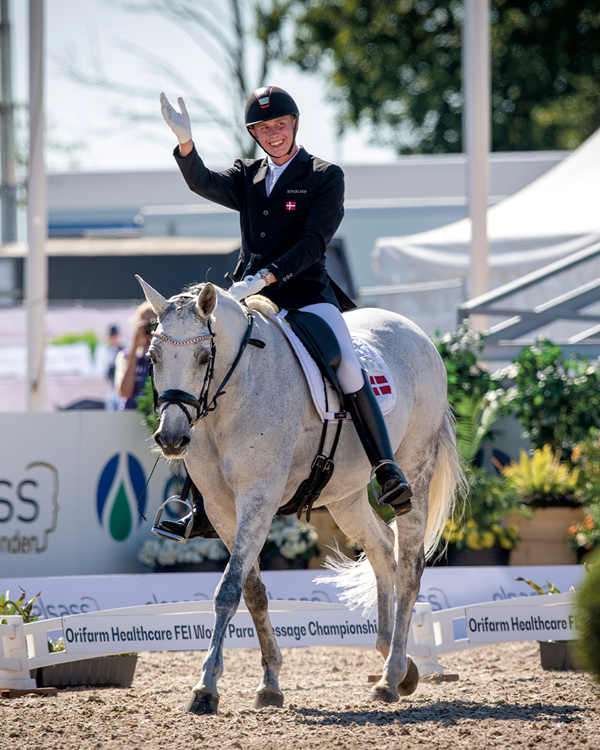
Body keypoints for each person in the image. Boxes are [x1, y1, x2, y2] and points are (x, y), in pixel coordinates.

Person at [159, 85, 412, 538]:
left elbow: (315, 242)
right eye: (262, 128)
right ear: (254, 133)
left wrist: (270, 275)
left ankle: (385, 467)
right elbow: (203, 181)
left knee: (347, 366)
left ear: (294, 124)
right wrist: (185, 144)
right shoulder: (247, 176)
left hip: (306, 295)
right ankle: (199, 499)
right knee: (210, 368)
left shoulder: (323, 175)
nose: (272, 134)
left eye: (279, 124)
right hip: (251, 298)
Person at [115, 302, 156, 410]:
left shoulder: (169, 356)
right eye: (145, 324)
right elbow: (124, 393)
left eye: (154, 323)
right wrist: (134, 348)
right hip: (131, 414)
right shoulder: (126, 355)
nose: (150, 328)